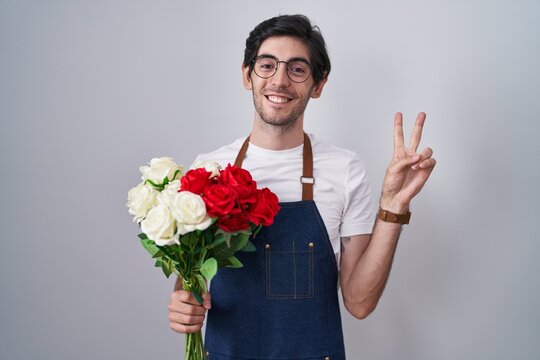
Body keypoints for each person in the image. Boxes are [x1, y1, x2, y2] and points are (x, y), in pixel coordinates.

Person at [167, 14, 436, 359]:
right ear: (247, 75)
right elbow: (190, 282)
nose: (279, 81)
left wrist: (393, 208)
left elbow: (359, 302)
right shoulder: (208, 169)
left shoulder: (345, 170)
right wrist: (182, 304)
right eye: (267, 65)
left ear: (318, 85)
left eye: (297, 69)